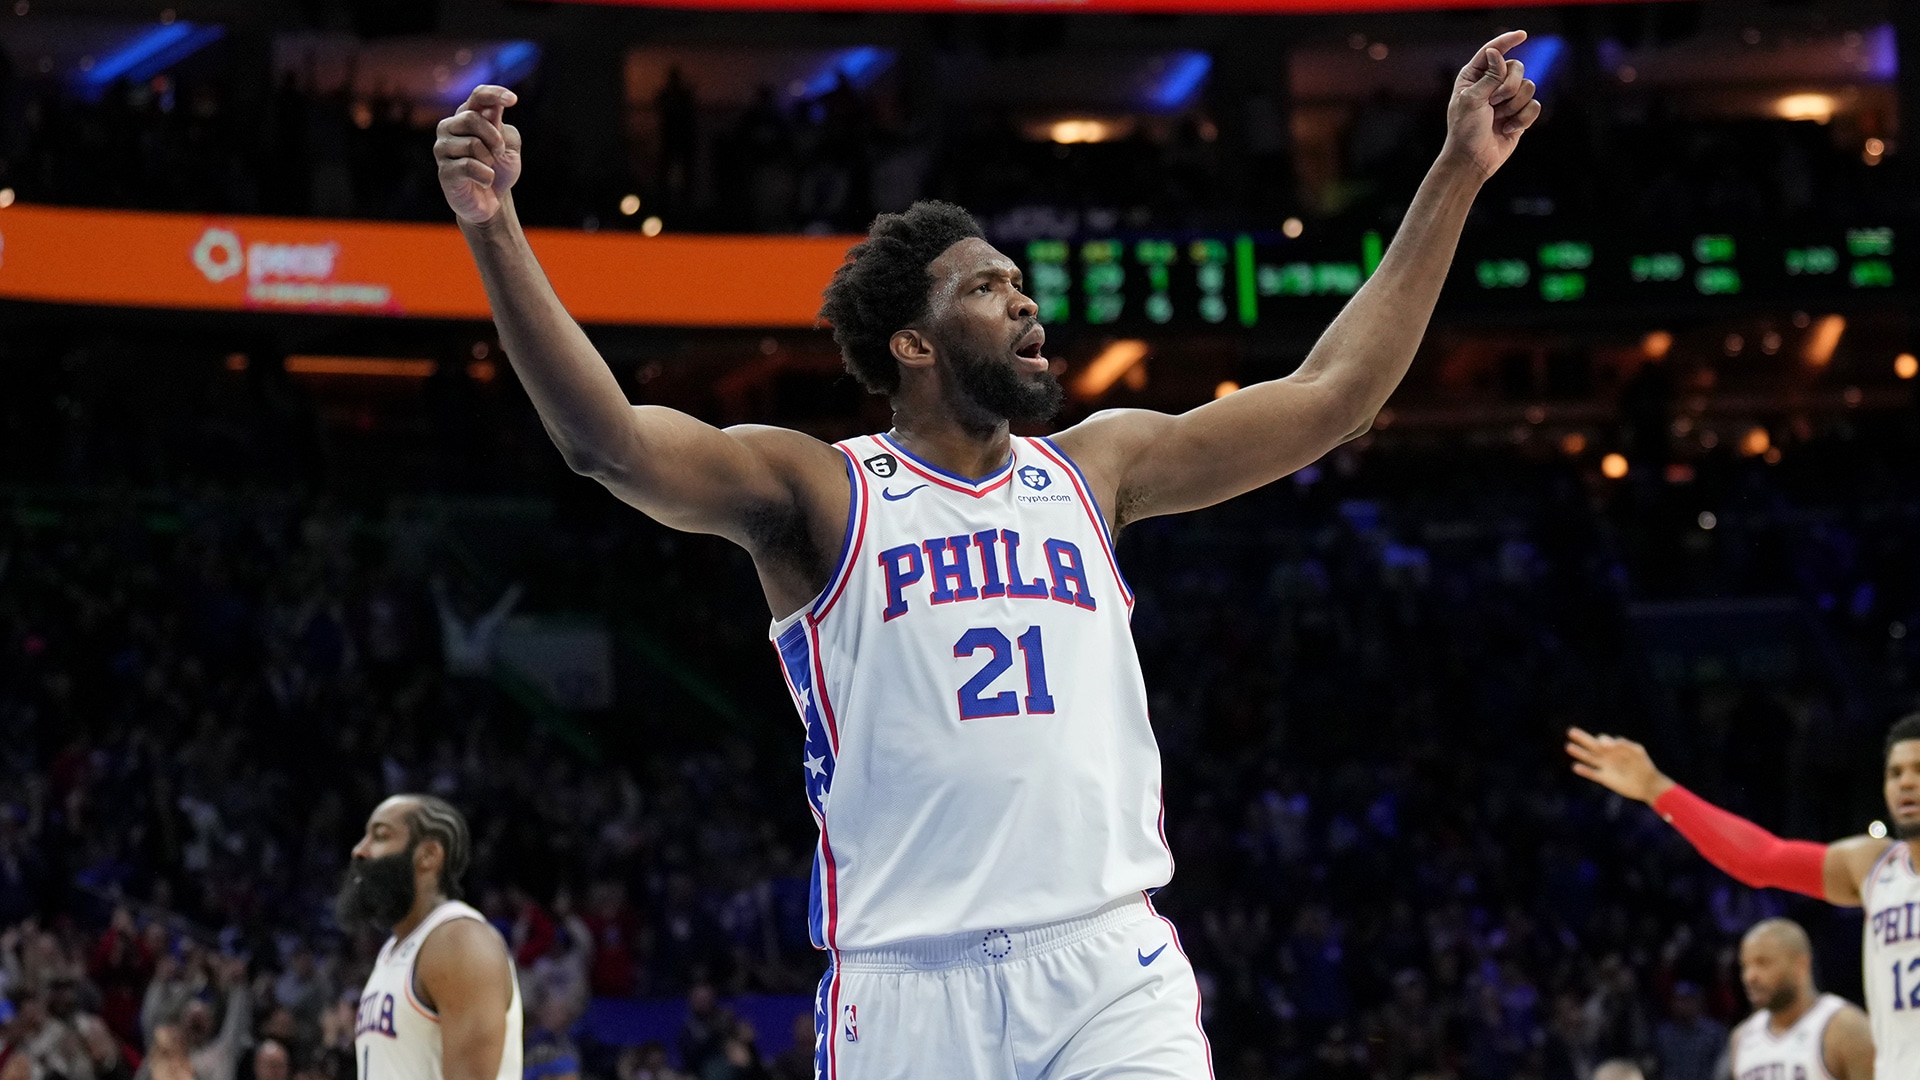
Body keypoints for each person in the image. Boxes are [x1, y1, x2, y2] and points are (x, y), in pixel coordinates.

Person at [434, 31, 1542, 1077]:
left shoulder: (1096, 470)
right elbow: (608, 443)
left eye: (1018, 284)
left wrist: (1455, 170)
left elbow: (1331, 399)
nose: (1024, 302)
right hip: (911, 985)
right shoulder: (822, 490)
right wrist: (495, 228)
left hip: (1112, 964)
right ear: (913, 345)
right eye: (985, 288)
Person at [1567, 715, 1920, 1080]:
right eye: (1895, 773)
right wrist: (1656, 789)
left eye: (1918, 770)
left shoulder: (1839, 1025)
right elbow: (1760, 860)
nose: (1906, 782)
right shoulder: (1871, 866)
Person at [337, 796, 520, 1080]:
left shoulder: (459, 941)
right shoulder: (394, 950)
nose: (360, 850)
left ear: (429, 855)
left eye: (381, 836)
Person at [1724, 919, 1872, 1080]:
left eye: (1763, 963)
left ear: (1801, 965)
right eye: (1745, 966)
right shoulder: (1741, 1038)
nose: (1749, 976)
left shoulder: (1845, 1027)